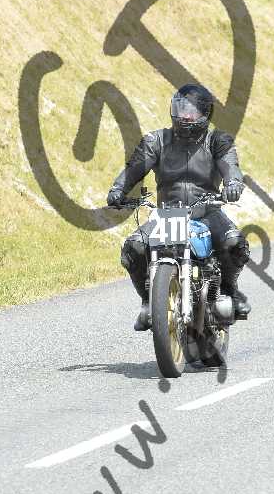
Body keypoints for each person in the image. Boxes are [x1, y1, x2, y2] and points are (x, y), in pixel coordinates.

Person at [107, 84, 250, 330]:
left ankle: (230, 290)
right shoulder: (156, 141)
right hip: (167, 214)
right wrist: (118, 189)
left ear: (206, 114)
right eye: (181, 109)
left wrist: (233, 184)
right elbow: (133, 170)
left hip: (207, 212)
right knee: (133, 248)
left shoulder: (218, 141)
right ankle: (148, 302)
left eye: (192, 112)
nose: (185, 116)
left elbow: (231, 167)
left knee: (235, 243)